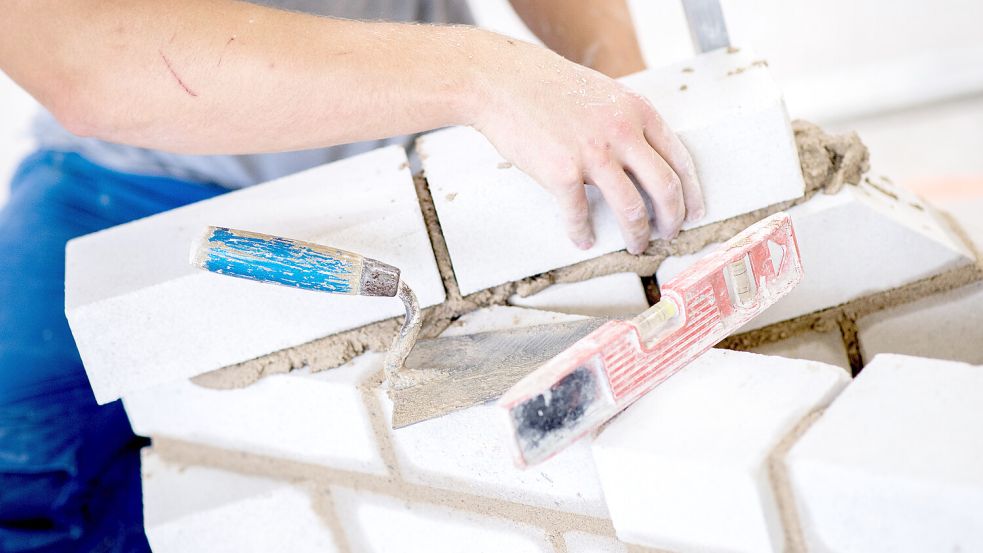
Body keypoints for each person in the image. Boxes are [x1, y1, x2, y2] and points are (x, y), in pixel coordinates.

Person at [0, 1, 704, 550]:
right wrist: (482, 76)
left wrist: (619, 88)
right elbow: (80, 53)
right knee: (20, 470)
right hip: (132, 169)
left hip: (408, 149)